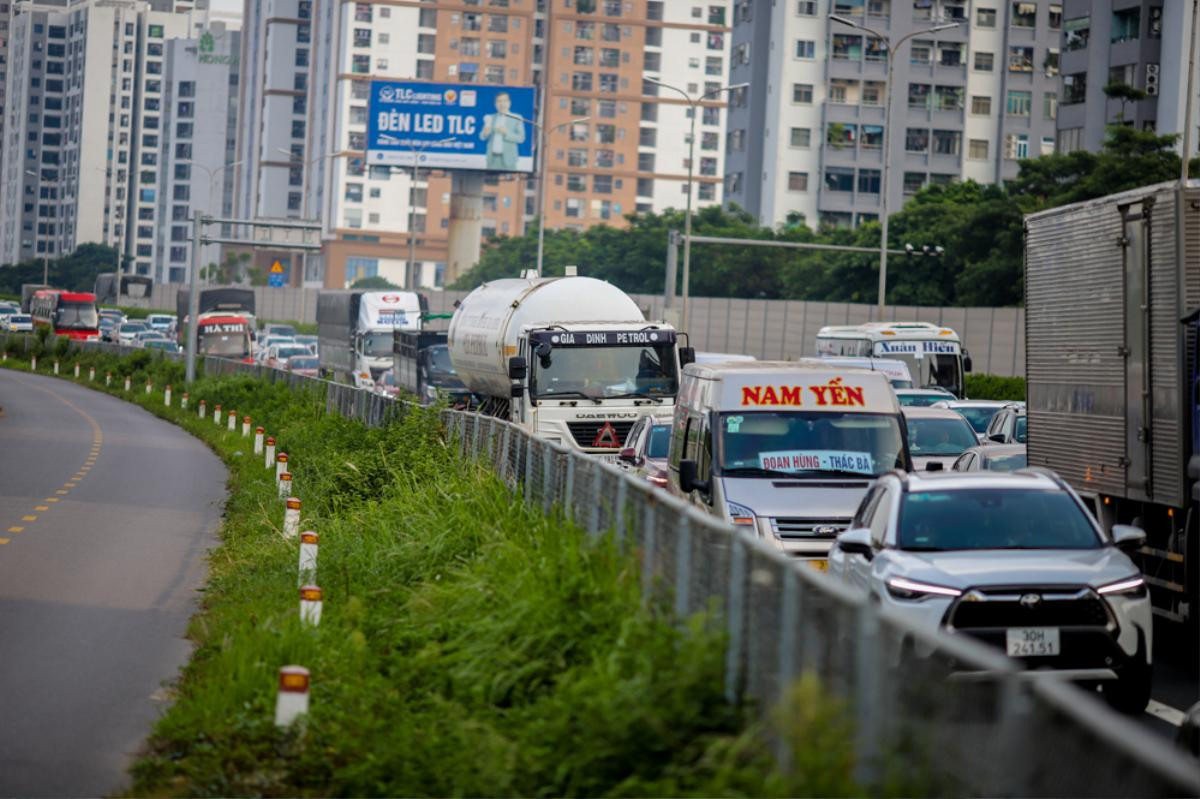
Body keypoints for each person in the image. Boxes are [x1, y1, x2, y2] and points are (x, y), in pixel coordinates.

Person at [480, 92, 525, 171]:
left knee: (509, 183)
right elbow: (481, 136)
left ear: (509, 103)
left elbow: (521, 138)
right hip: (492, 159)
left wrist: (506, 132)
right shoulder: (491, 117)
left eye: (504, 101)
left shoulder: (517, 118)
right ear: (495, 104)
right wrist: (485, 133)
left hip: (509, 160)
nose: (502, 104)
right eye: (499, 101)